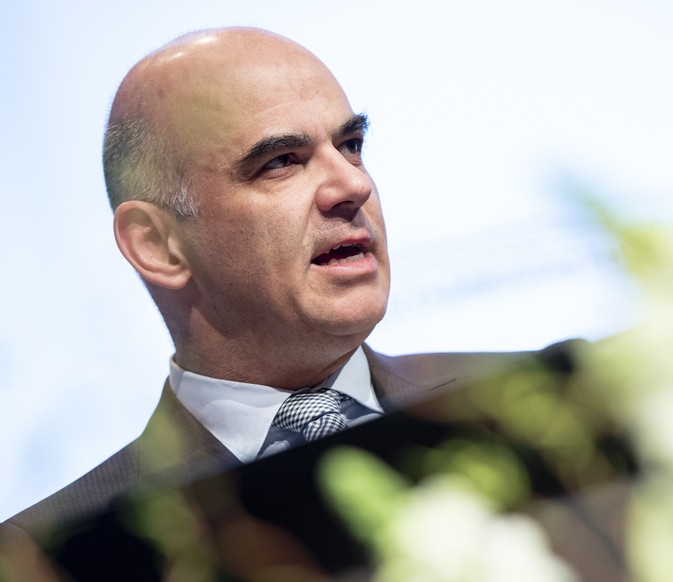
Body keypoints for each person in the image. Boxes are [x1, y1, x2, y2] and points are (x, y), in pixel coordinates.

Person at [0, 27, 525, 537]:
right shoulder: (53, 555)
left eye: (350, 144)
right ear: (158, 244)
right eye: (280, 162)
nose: (353, 184)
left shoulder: (530, 402)